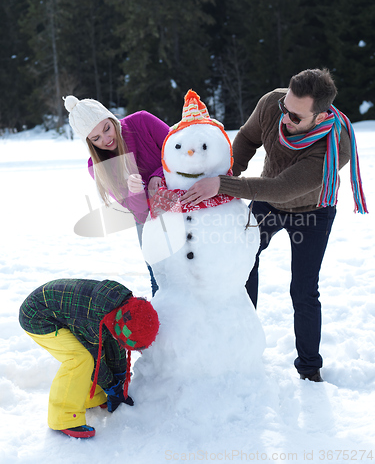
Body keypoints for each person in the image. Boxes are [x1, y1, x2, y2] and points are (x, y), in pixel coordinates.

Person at [180, 68, 368, 382]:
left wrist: (223, 186)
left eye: (295, 116)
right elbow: (247, 138)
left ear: (320, 117)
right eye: (285, 107)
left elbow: (282, 187)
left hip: (312, 212)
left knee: (304, 290)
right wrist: (230, 173)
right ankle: (242, 345)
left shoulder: (336, 149)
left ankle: (309, 369)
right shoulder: (272, 105)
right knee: (242, 264)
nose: (285, 118)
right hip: (267, 202)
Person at [19, 278, 159, 438]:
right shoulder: (91, 320)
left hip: (63, 312)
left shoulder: (124, 310)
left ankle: (91, 398)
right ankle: (64, 418)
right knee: (81, 358)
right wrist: (112, 386)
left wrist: (119, 379)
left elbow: (114, 343)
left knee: (94, 352)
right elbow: (95, 358)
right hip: (37, 316)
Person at [64, 96, 170, 296]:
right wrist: (136, 191)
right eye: (96, 139)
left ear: (111, 119)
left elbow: (182, 151)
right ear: (89, 143)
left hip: (185, 206)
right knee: (162, 283)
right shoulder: (98, 167)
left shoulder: (142, 121)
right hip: (150, 223)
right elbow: (139, 214)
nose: (106, 139)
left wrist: (159, 175)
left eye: (106, 129)